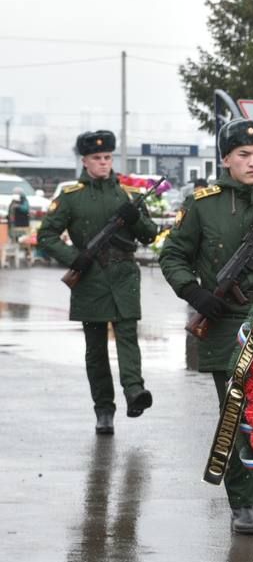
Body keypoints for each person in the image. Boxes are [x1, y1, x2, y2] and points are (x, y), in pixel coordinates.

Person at [160, 118, 253, 535]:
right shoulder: (204, 204)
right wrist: (195, 294)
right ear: (226, 159)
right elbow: (173, 256)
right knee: (235, 410)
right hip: (221, 323)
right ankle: (243, 502)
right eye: (244, 155)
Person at [36, 130, 159, 435]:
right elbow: (46, 235)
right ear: (85, 161)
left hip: (124, 275)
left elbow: (149, 234)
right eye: (97, 158)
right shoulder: (71, 197)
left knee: (128, 337)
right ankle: (104, 408)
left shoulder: (126, 193)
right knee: (96, 351)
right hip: (89, 278)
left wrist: (135, 218)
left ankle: (134, 392)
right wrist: (73, 257)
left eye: (107, 157)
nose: (104, 163)